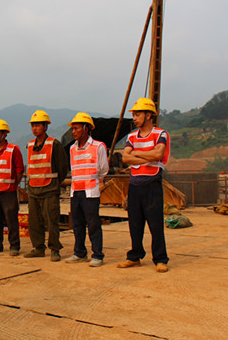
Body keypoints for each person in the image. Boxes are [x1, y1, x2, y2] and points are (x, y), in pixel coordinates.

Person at [118, 97, 170, 273]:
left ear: (148, 115)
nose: (134, 117)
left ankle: (160, 259)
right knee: (135, 223)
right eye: (134, 114)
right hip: (135, 184)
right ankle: (134, 256)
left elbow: (158, 155)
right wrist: (148, 153)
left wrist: (137, 154)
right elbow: (125, 158)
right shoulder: (132, 136)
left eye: (137, 114)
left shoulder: (160, 134)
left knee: (155, 224)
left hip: (152, 183)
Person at [64, 112, 109, 267]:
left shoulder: (98, 147)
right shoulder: (72, 149)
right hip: (75, 191)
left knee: (93, 224)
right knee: (77, 224)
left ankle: (97, 255)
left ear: (86, 128)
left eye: (76, 128)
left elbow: (104, 169)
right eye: (73, 129)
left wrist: (93, 181)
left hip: (90, 192)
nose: (73, 131)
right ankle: (79, 253)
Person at [24, 110, 68, 262]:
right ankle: (38, 248)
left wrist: (55, 183)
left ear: (45, 127)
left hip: (49, 189)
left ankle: (55, 249)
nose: (35, 128)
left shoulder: (54, 144)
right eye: (33, 125)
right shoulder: (30, 145)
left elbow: (62, 168)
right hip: (33, 189)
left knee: (52, 221)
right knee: (34, 222)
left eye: (38, 125)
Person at [0, 119, 25, 256]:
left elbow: (19, 170)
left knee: (11, 219)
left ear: (4, 134)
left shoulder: (14, 150)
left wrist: (14, 184)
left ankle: (14, 246)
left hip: (8, 191)